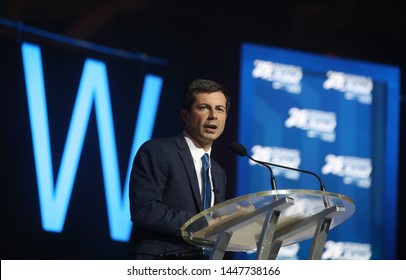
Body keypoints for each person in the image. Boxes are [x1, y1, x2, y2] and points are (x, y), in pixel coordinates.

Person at [128, 79, 231, 260]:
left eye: (220, 109)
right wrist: (201, 223)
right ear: (185, 115)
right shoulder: (158, 151)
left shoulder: (218, 172)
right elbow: (145, 210)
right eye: (204, 108)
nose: (213, 115)